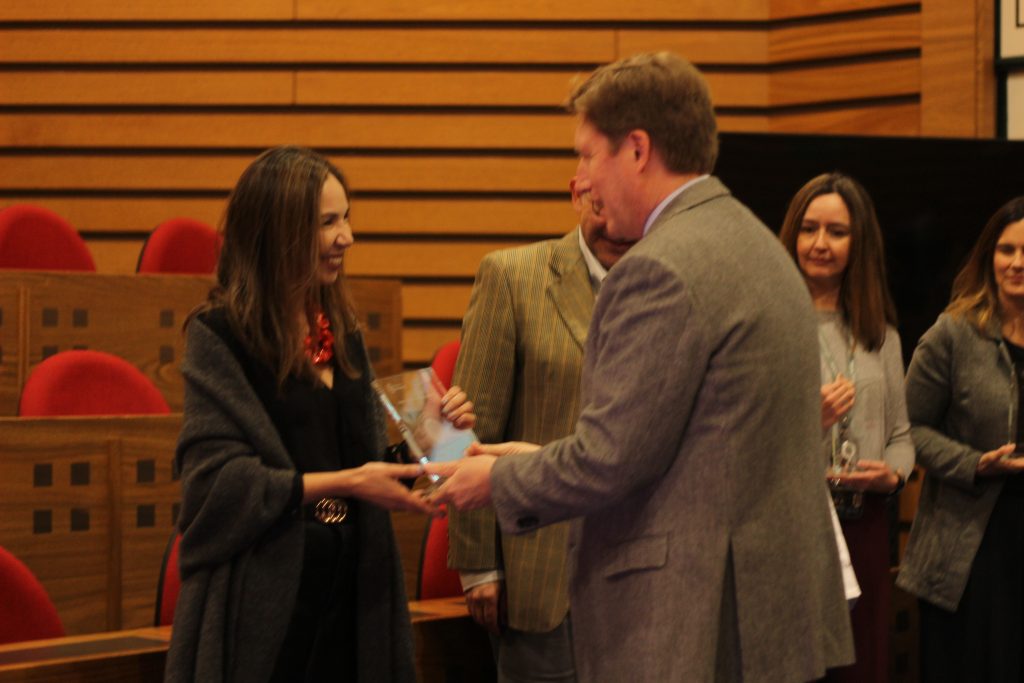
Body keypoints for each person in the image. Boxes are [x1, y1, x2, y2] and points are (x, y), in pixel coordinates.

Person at [428, 52, 854, 681]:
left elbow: (610, 458)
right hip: (764, 614)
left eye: (586, 155)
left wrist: (493, 481)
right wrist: (517, 460)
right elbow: (689, 444)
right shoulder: (758, 243)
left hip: (691, 618)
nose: (582, 180)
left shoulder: (660, 266)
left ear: (636, 149)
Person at [164, 146, 473, 683]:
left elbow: (372, 456)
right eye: (328, 222)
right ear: (278, 232)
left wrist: (440, 434)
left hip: (356, 591)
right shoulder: (219, 337)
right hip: (269, 601)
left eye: (346, 218)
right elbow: (214, 487)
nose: (347, 237)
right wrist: (351, 482)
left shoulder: (341, 330)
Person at [447, 176, 634, 682]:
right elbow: (466, 428)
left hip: (641, 575)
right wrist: (478, 566)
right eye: (600, 206)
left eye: (626, 210)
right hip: (542, 573)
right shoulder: (513, 275)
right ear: (577, 195)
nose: (614, 226)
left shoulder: (669, 285)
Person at [778, 173, 914, 683]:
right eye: (808, 228)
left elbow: (901, 435)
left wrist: (893, 477)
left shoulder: (882, 335)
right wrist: (807, 423)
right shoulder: (768, 324)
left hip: (866, 523)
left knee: (863, 664)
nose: (819, 243)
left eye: (836, 231)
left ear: (859, 242)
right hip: (797, 524)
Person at [897, 196, 1024, 682]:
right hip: (971, 547)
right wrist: (974, 463)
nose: (1016, 262)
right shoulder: (953, 333)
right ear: (988, 257)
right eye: (1006, 249)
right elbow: (908, 429)